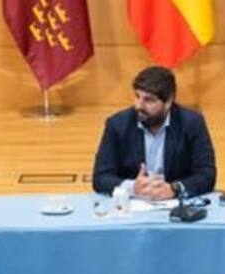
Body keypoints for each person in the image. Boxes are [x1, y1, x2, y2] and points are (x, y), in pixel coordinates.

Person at [92, 65, 216, 199]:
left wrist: (174, 189)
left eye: (149, 100)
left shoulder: (191, 123)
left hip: (175, 207)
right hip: (133, 206)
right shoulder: (117, 125)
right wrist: (132, 187)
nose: (139, 105)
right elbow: (100, 178)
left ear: (168, 102)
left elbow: (206, 174)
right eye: (137, 96)